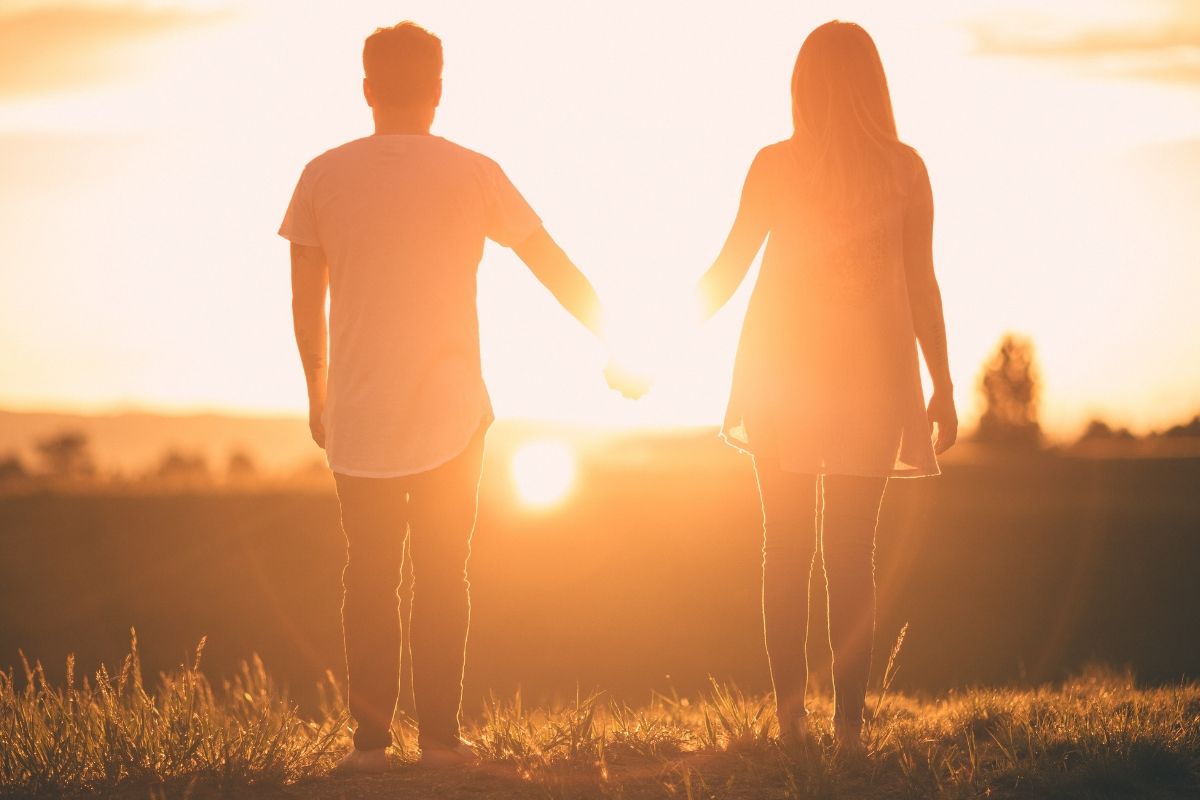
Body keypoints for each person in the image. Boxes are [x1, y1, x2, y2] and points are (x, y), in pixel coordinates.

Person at [279, 21, 609, 771]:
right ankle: (440, 742)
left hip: (358, 411)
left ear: (366, 90)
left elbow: (305, 300)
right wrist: (614, 338)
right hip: (453, 415)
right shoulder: (473, 171)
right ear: (438, 90)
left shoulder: (322, 175)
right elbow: (546, 259)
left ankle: (368, 748)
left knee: (367, 574)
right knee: (440, 573)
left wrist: (316, 390)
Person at [694, 20, 958, 749]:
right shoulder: (905, 168)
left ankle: (790, 722)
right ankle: (847, 732)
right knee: (852, 555)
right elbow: (922, 287)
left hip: (781, 375)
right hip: (872, 379)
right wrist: (943, 384)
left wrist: (650, 344)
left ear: (801, 85)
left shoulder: (776, 164)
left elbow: (728, 268)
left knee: (785, 548)